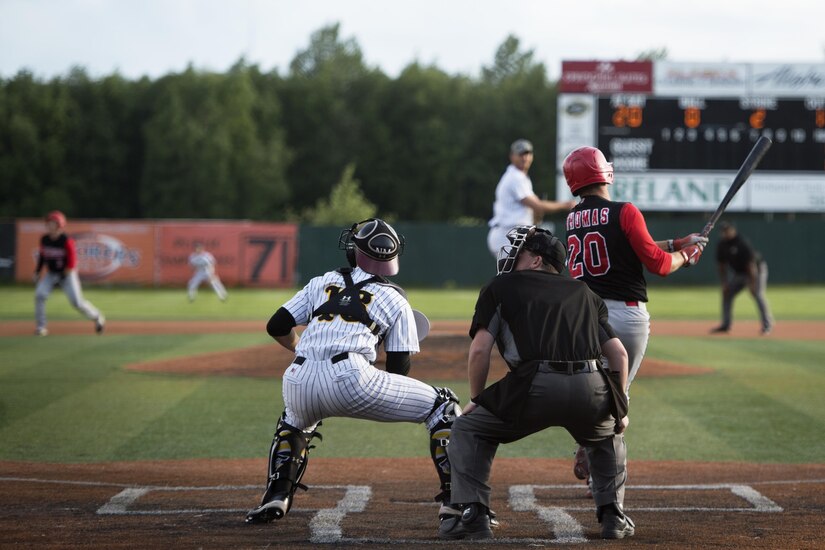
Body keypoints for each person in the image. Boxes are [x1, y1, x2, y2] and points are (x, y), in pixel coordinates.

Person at [245, 218, 462, 525]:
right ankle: (456, 502)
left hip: (298, 377)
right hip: (353, 377)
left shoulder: (322, 281)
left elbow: (276, 325)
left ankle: (276, 496)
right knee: (443, 405)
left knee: (293, 421)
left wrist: (302, 349)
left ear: (356, 252)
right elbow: (399, 371)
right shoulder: (395, 299)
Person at [438, 226, 634, 541]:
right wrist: (619, 407)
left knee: (469, 428)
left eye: (522, 251)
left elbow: (479, 351)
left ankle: (474, 513)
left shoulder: (500, 287)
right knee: (608, 435)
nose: (514, 255)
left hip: (534, 385)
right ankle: (612, 514)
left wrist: (479, 397)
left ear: (537, 260)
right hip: (591, 386)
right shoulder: (586, 293)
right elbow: (620, 356)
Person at [561, 146, 706, 488]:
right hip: (625, 318)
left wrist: (676, 241)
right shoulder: (625, 210)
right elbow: (657, 264)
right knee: (616, 398)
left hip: (584, 318)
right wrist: (687, 255)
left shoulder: (571, 218)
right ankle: (608, 488)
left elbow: (623, 245)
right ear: (605, 173)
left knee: (593, 391)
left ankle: (586, 444)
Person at [487, 139, 576, 258]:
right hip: (506, 235)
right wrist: (566, 205)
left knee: (524, 272)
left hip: (512, 235)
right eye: (521, 154)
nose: (525, 157)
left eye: (528, 154)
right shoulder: (515, 177)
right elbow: (537, 205)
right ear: (512, 157)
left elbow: (535, 208)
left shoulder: (521, 177)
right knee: (523, 271)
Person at [33, 210, 105, 336]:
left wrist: (60, 279)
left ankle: (97, 316)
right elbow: (42, 256)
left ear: (59, 225)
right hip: (51, 274)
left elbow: (71, 264)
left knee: (77, 302)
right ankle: (41, 327)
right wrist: (38, 271)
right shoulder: (44, 239)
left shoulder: (66, 240)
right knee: (39, 295)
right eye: (48, 223)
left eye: (53, 223)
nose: (49, 226)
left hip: (67, 274)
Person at [710, 222, 774, 335]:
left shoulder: (742, 243)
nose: (725, 233)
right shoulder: (722, 245)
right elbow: (721, 266)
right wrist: (724, 283)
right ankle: (725, 325)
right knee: (727, 293)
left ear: (733, 230)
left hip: (757, 271)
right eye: (723, 231)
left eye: (727, 230)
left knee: (758, 294)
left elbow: (751, 266)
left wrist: (753, 285)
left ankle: (767, 325)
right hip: (740, 273)